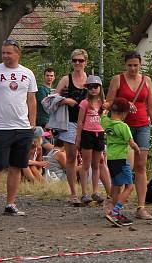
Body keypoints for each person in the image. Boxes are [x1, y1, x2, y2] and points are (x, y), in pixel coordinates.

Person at [0, 38, 37, 219]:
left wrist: (32, 123)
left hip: (23, 126)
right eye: (3, 52)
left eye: (9, 53)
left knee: (17, 166)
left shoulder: (28, 73)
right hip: (1, 126)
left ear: (18, 54)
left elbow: (31, 99)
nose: (5, 56)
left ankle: (10, 203)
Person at [105, 51, 152, 220]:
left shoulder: (147, 80)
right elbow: (107, 103)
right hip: (123, 126)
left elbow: (151, 106)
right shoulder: (117, 80)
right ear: (125, 65)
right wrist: (125, 103)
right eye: (130, 65)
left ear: (140, 64)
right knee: (125, 166)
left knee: (141, 166)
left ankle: (141, 206)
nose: (133, 68)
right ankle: (115, 205)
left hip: (143, 125)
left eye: (136, 65)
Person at [54, 49, 91, 206]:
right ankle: (73, 193)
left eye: (80, 61)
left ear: (86, 62)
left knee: (87, 158)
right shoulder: (66, 79)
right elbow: (52, 99)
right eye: (75, 60)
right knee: (71, 158)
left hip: (87, 123)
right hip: (69, 122)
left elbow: (98, 99)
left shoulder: (90, 80)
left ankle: (85, 192)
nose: (77, 63)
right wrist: (65, 100)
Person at [102, 97, 140, 227]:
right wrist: (137, 150)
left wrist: (106, 107)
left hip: (111, 160)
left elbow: (103, 114)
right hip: (121, 159)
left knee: (117, 186)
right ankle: (115, 211)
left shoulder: (105, 123)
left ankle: (112, 211)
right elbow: (132, 143)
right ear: (124, 113)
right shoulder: (124, 127)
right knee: (129, 187)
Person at [75, 76, 108, 204]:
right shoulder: (85, 103)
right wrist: (78, 137)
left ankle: (95, 191)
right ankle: (84, 193)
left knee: (96, 164)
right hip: (87, 134)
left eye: (96, 86)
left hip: (99, 134)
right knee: (86, 165)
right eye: (90, 87)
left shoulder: (103, 104)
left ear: (100, 88)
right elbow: (80, 122)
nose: (93, 89)